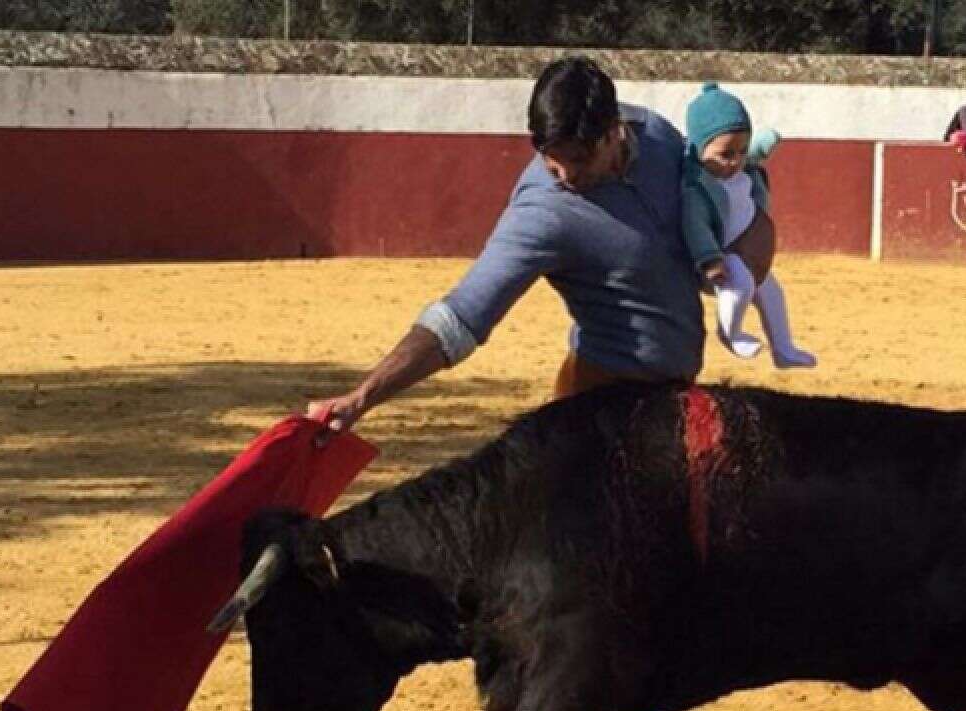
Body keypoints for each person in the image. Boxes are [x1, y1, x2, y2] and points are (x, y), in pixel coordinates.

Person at [303, 57, 772, 435]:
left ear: (614, 131)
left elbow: (715, 211)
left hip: (675, 400)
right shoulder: (542, 213)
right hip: (597, 411)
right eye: (553, 162)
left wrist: (752, 250)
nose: (566, 176)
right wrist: (363, 397)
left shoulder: (657, 136)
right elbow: (461, 317)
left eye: (579, 159)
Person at [681, 83, 815, 369]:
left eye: (741, 152)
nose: (735, 162)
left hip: (749, 254)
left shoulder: (740, 166)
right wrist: (710, 259)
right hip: (722, 259)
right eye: (726, 154)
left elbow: (752, 152)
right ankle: (731, 333)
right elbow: (696, 227)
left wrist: (766, 141)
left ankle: (783, 348)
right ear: (698, 148)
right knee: (740, 282)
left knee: (770, 290)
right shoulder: (697, 188)